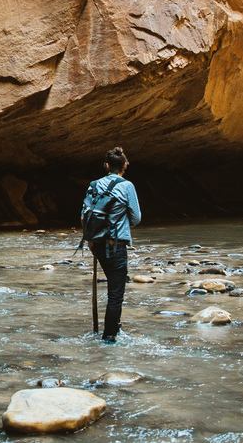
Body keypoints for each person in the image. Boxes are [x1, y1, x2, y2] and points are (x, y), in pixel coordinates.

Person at [80, 146, 141, 344]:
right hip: (116, 245)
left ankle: (114, 327)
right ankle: (110, 337)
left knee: (113, 288)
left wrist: (90, 239)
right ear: (125, 165)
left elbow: (84, 214)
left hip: (95, 244)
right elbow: (136, 218)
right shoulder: (127, 186)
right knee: (116, 293)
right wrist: (121, 222)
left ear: (106, 165)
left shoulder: (93, 185)